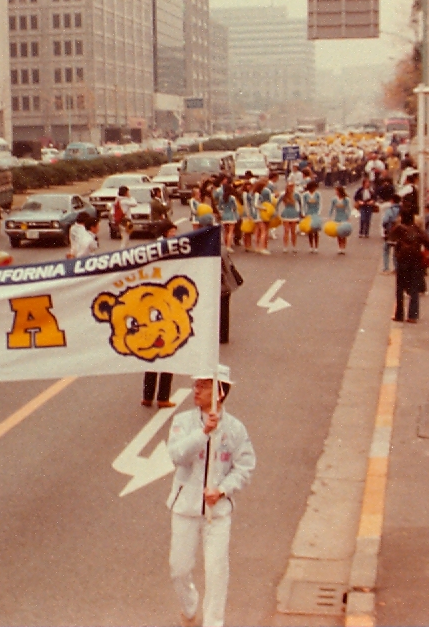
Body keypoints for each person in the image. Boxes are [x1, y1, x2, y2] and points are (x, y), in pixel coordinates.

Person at [167, 365, 255, 627]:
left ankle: (214, 622)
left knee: (217, 571)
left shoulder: (235, 429)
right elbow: (176, 455)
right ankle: (190, 606)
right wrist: (203, 433)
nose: (196, 390)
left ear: (219, 392)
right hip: (185, 507)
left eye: (203, 386)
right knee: (179, 569)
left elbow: (246, 466)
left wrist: (223, 489)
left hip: (217, 513)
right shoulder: (182, 422)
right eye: (196, 385)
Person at [144, 223, 179, 409]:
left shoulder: (153, 249)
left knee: (151, 354)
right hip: (163, 309)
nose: (174, 234)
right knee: (166, 353)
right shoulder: (167, 250)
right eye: (172, 231)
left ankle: (147, 396)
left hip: (150, 308)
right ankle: (162, 397)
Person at [388, 209, 429, 323]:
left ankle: (399, 314)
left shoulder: (399, 228)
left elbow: (390, 239)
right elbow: (428, 241)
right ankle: (412, 315)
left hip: (402, 261)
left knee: (400, 288)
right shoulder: (418, 229)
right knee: (414, 289)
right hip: (416, 261)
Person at [277, 184, 302, 254]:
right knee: (286, 231)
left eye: (292, 187)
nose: (291, 188)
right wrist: (276, 212)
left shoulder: (297, 195)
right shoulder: (283, 195)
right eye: (290, 187)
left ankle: (294, 246)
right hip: (286, 213)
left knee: (293, 231)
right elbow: (277, 203)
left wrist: (300, 213)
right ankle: (285, 246)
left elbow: (301, 204)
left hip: (294, 213)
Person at [380, 195, 402, 274]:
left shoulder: (390, 210)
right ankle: (396, 267)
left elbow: (385, 220)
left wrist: (385, 228)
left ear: (392, 200)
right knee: (396, 250)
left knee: (386, 249)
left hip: (390, 232)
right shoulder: (402, 210)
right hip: (399, 233)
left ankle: (386, 268)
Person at [329, 185, 352, 254]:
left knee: (343, 233)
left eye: (336, 191)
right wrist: (330, 217)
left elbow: (349, 208)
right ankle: (339, 247)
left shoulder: (346, 199)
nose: (335, 192)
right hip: (337, 217)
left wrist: (349, 217)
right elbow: (331, 208)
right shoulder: (334, 199)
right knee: (338, 233)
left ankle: (343, 247)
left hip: (344, 217)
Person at [217, 183, 239, 253]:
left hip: (224, 215)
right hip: (231, 214)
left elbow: (219, 207)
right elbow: (235, 207)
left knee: (226, 231)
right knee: (231, 231)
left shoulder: (221, 198)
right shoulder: (232, 198)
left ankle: (226, 245)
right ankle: (229, 246)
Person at [301, 181, 322, 253]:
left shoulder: (318, 194)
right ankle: (311, 246)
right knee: (309, 230)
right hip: (308, 213)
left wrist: (319, 212)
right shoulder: (305, 195)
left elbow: (320, 204)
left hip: (315, 213)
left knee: (316, 230)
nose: (314, 189)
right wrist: (303, 213)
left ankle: (316, 246)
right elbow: (303, 204)